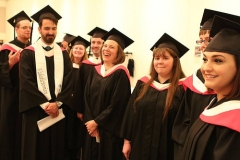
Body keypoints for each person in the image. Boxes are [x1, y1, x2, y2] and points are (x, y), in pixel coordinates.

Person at [172, 9, 240, 158]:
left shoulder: (235, 122)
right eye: (205, 59)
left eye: (218, 60)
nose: (206, 68)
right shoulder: (213, 105)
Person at [121, 33, 188, 160]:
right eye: (157, 58)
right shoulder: (143, 84)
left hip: (169, 150)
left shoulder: (183, 89)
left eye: (165, 58)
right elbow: (131, 114)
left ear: (175, 61)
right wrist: (126, 142)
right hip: (140, 147)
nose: (160, 62)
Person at [19, 5, 72, 160]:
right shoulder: (29, 53)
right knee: (33, 150)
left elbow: (70, 81)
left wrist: (58, 103)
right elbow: (26, 83)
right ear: (39, 30)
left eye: (54, 28)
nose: (50, 32)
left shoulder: (63, 55)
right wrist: (46, 105)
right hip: (35, 110)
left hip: (57, 112)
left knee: (55, 150)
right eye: (47, 28)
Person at [78, 28, 133, 160]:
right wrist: (91, 123)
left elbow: (117, 105)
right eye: (105, 46)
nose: (106, 49)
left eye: (111, 47)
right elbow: (87, 98)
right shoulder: (95, 70)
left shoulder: (120, 73)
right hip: (91, 130)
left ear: (118, 52)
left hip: (109, 133)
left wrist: (97, 122)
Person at [0, 11, 32, 160]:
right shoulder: (6, 49)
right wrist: (10, 63)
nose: (28, 30)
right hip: (10, 96)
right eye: (24, 27)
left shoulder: (33, 50)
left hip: (28, 97)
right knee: (9, 131)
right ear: (16, 29)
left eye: (30, 28)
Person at [73, 27, 107, 120]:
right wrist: (80, 109)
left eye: (99, 43)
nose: (95, 45)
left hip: (102, 110)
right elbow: (79, 89)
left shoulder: (108, 66)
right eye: (93, 42)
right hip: (86, 109)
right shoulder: (85, 65)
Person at [66, 36, 89, 159]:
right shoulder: (66, 65)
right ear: (72, 49)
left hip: (79, 107)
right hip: (66, 105)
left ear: (84, 51)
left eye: (81, 48)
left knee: (77, 135)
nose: (78, 50)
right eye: (76, 48)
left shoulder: (87, 67)